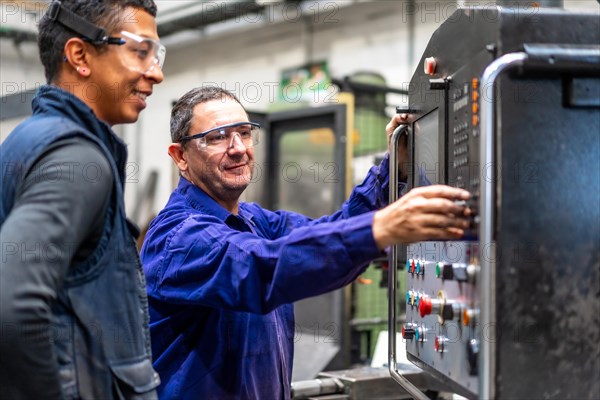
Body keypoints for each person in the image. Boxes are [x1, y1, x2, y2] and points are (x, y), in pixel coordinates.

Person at [141, 86, 470, 399]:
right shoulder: (177, 237)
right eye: (217, 137)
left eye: (244, 132)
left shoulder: (256, 221)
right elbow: (262, 269)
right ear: (180, 156)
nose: (239, 147)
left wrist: (393, 169)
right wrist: (379, 228)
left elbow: (333, 232)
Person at [0, 1, 164, 398]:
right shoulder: (77, 157)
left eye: (158, 55)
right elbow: (13, 305)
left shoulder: (28, 139)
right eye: (141, 51)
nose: (156, 72)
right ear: (79, 55)